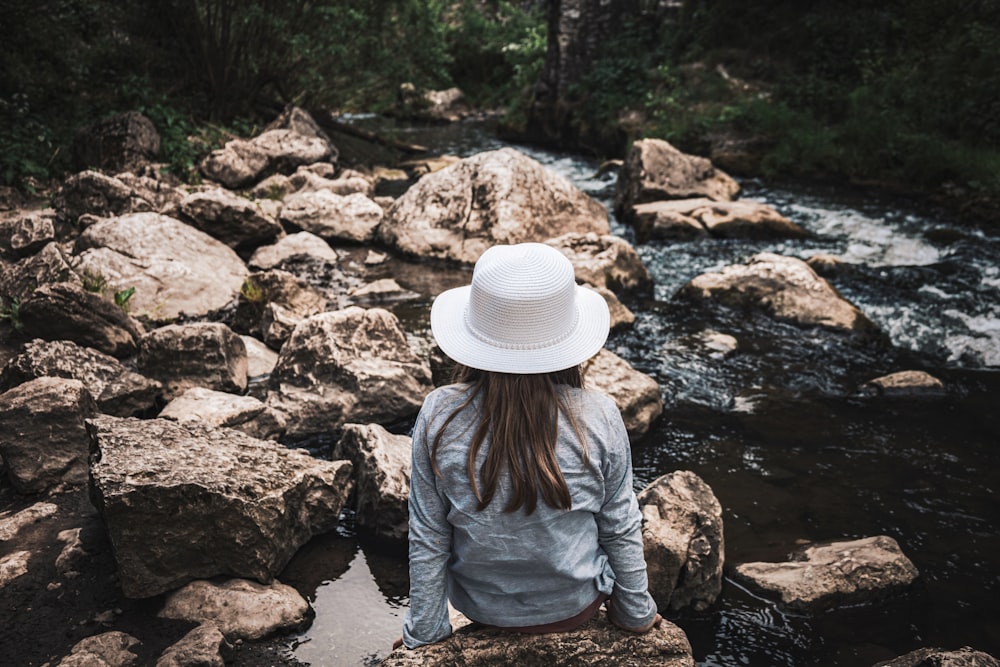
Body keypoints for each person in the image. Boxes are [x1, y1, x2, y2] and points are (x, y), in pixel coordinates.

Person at [399, 242, 660, 650]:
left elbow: (429, 535)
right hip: (574, 607)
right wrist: (635, 614)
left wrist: (426, 634)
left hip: (480, 607)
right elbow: (620, 526)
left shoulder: (439, 413)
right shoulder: (599, 414)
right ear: (567, 341)